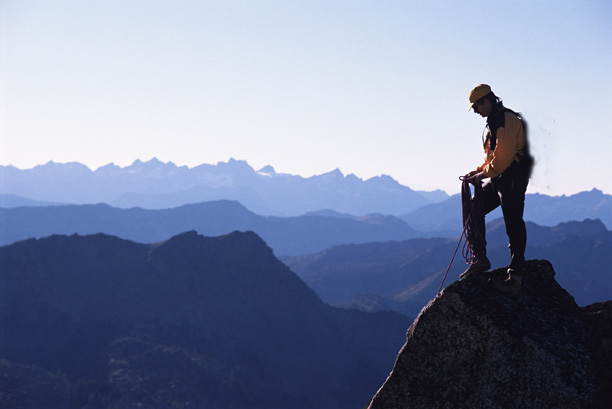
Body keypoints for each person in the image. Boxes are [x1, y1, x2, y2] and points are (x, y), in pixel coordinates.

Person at [461, 84, 533, 294]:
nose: (476, 112)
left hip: (513, 177)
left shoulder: (506, 120)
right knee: (475, 207)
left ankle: (515, 278)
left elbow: (501, 160)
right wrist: (477, 173)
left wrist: (481, 176)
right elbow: (492, 159)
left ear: (486, 101)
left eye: (476, 107)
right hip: (502, 177)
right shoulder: (493, 123)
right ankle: (480, 258)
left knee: (513, 222)